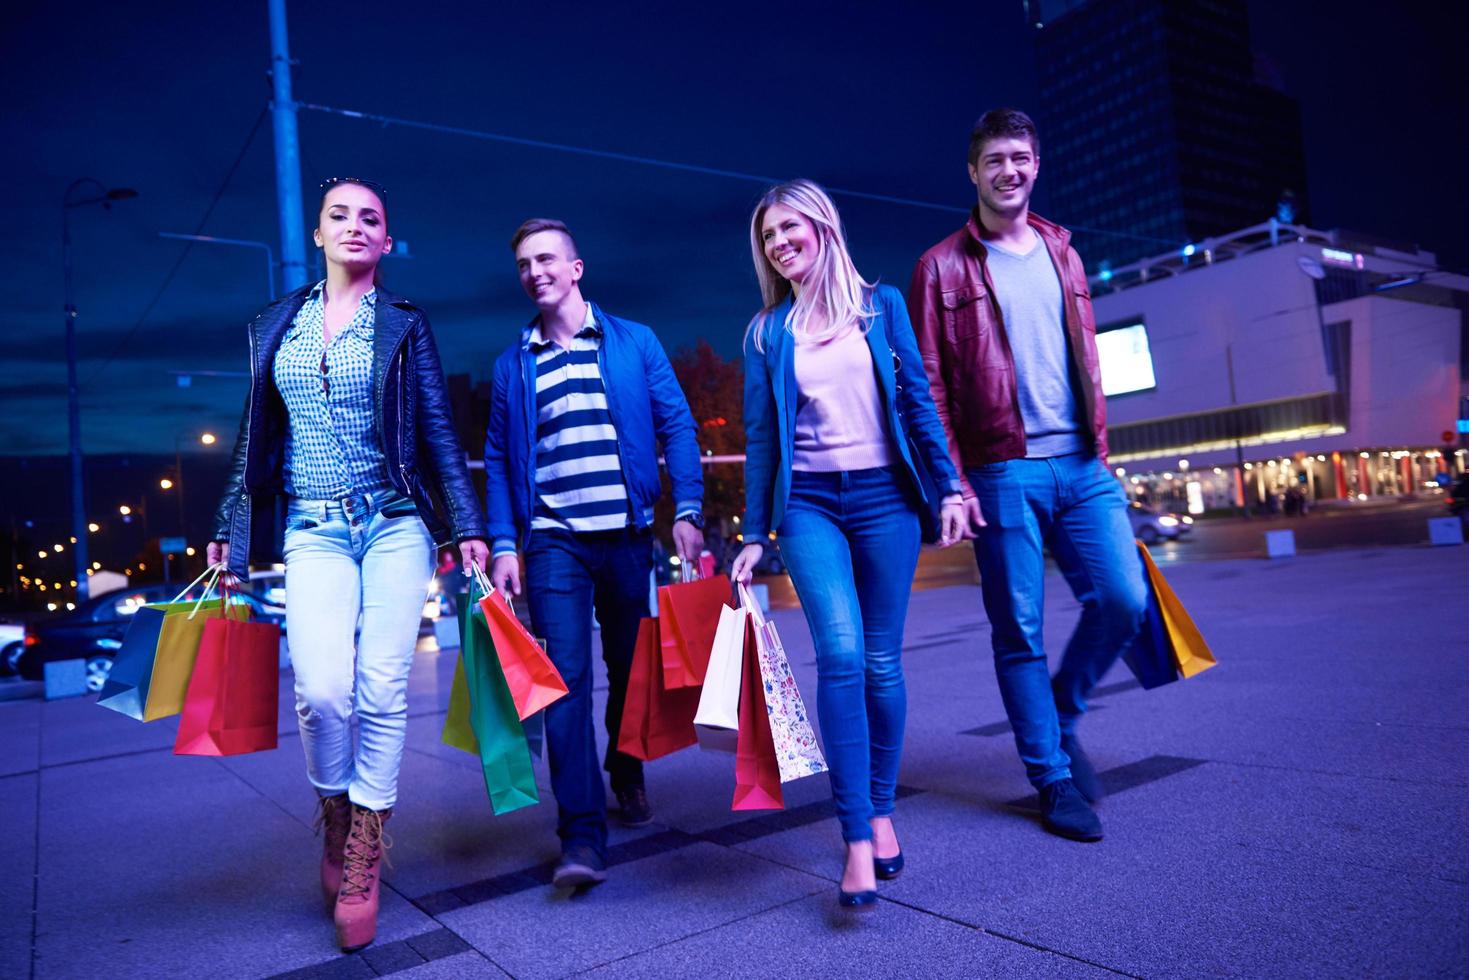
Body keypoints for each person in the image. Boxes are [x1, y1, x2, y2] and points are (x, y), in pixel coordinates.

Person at [207, 177, 488, 952]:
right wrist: (229, 525)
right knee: (324, 692)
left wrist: (466, 525)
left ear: (385, 242)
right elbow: (252, 433)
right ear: (320, 235)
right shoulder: (274, 324)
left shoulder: (404, 323)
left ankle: (364, 846)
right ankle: (336, 812)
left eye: (372, 219)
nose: (356, 227)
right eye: (342, 216)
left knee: (382, 685)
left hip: (394, 523)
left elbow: (437, 427)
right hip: (313, 528)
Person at [909, 109, 1147, 843]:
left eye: (1020, 158)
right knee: (1018, 630)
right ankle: (1049, 776)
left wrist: (1101, 447)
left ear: (1034, 165)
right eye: (993, 161)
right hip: (1000, 469)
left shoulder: (1063, 253)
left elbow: (1084, 357)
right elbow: (929, 385)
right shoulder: (941, 266)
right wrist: (953, 481)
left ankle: (1061, 711)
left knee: (1123, 598)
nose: (1008, 171)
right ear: (972, 173)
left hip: (1082, 463)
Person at [731, 180, 965, 908]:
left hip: (886, 499)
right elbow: (762, 438)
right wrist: (749, 531)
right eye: (767, 236)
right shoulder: (767, 332)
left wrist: (950, 485)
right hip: (808, 505)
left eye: (788, 228)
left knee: (880, 664)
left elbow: (918, 403)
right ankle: (856, 834)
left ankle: (882, 805)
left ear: (823, 228)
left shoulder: (881, 307)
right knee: (838, 653)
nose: (778, 244)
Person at [484, 218, 705, 888]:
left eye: (546, 259)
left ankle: (626, 766)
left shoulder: (633, 341)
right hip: (553, 541)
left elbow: (676, 424)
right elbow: (497, 457)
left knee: (629, 668)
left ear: (576, 268)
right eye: (523, 263)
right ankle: (580, 835)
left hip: (628, 534)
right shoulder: (512, 362)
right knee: (563, 683)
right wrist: (502, 541)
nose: (534, 272)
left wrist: (688, 508)